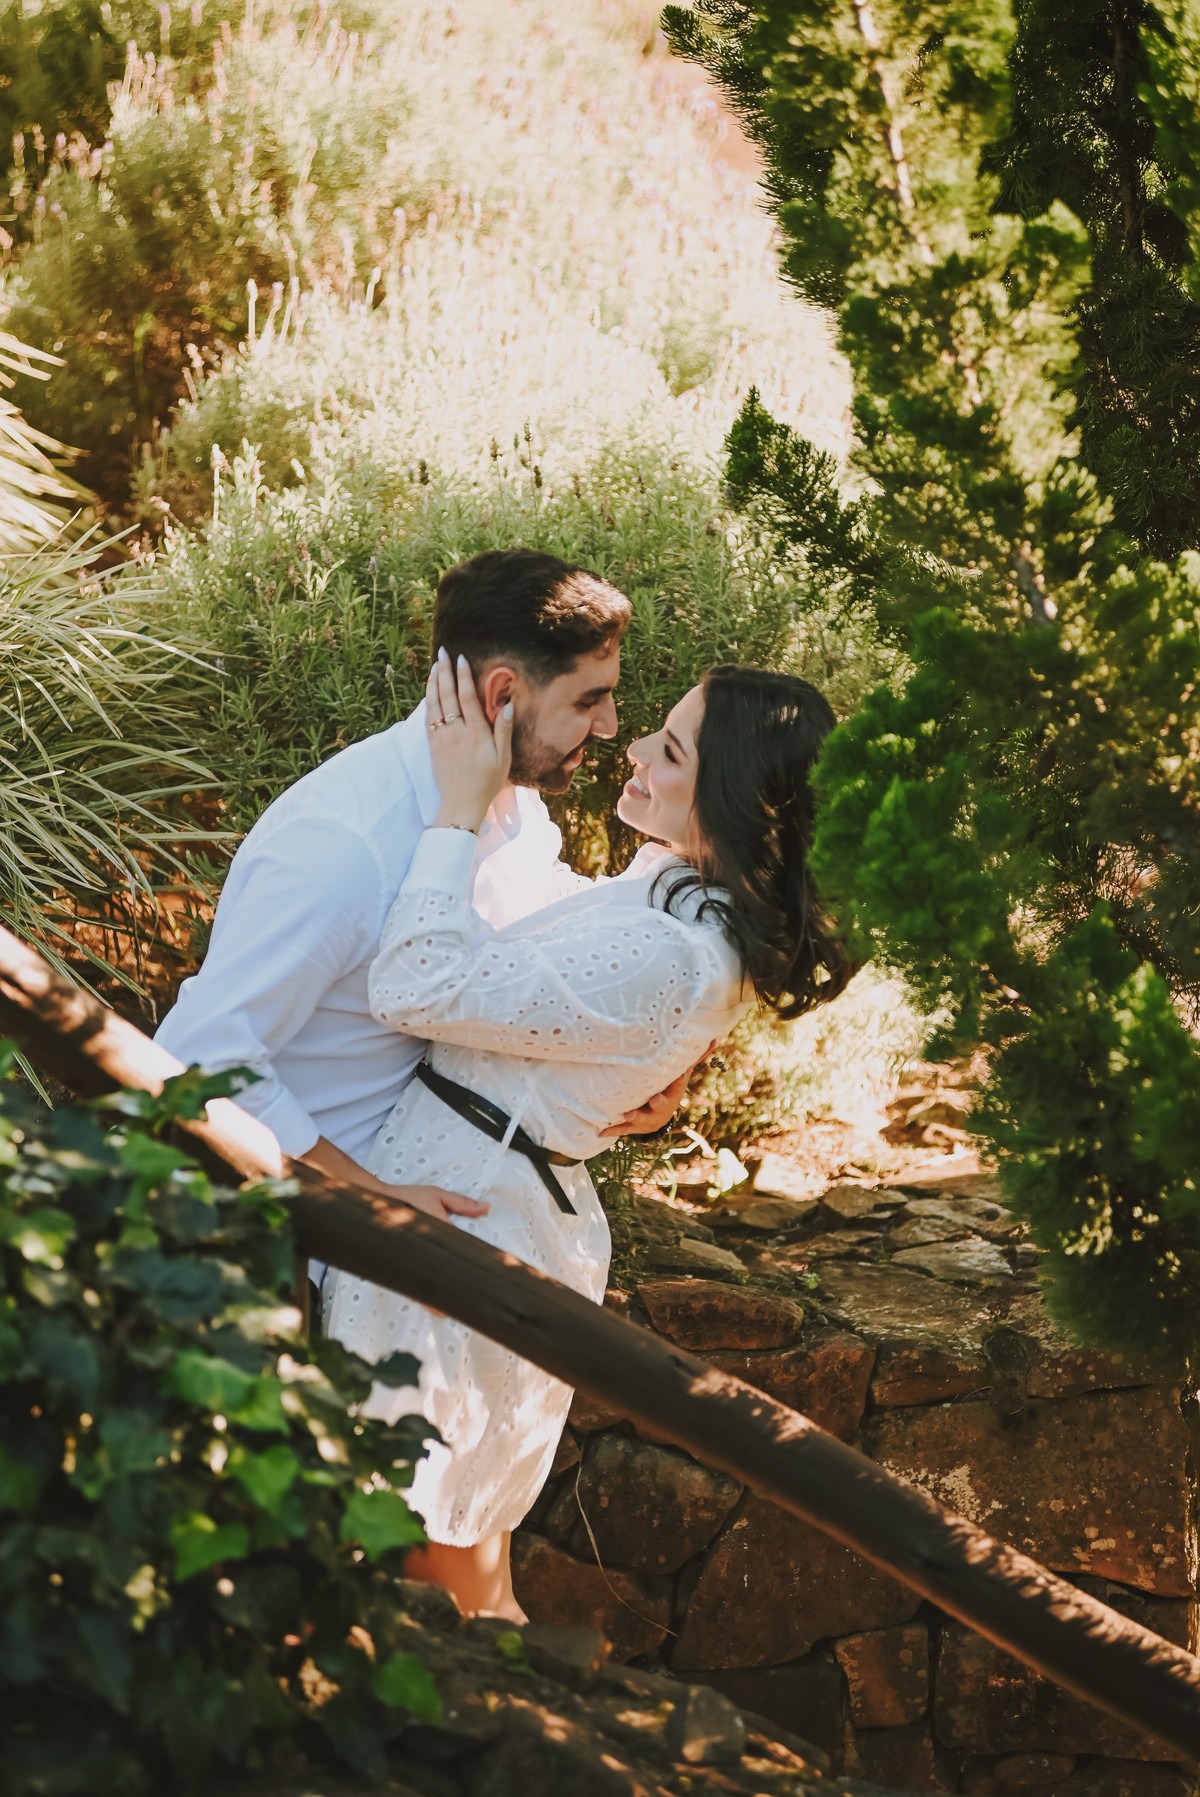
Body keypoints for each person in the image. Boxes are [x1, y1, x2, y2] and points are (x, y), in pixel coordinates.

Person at [322, 652, 851, 1621]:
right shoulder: (678, 889)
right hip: (476, 1196)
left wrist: (458, 809)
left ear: (732, 802)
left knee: (440, 1570)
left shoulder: (674, 950)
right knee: (429, 1554)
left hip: (473, 1222)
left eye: (672, 750)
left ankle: (541, 1716)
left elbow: (413, 987)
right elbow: (572, 945)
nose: (636, 748)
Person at [155, 549, 690, 1264]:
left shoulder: (512, 803)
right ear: (502, 696)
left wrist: (658, 1056)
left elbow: (549, 923)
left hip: (436, 1226)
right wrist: (370, 1199)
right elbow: (201, 1056)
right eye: (588, 700)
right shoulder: (345, 845)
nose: (610, 725)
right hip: (286, 1250)